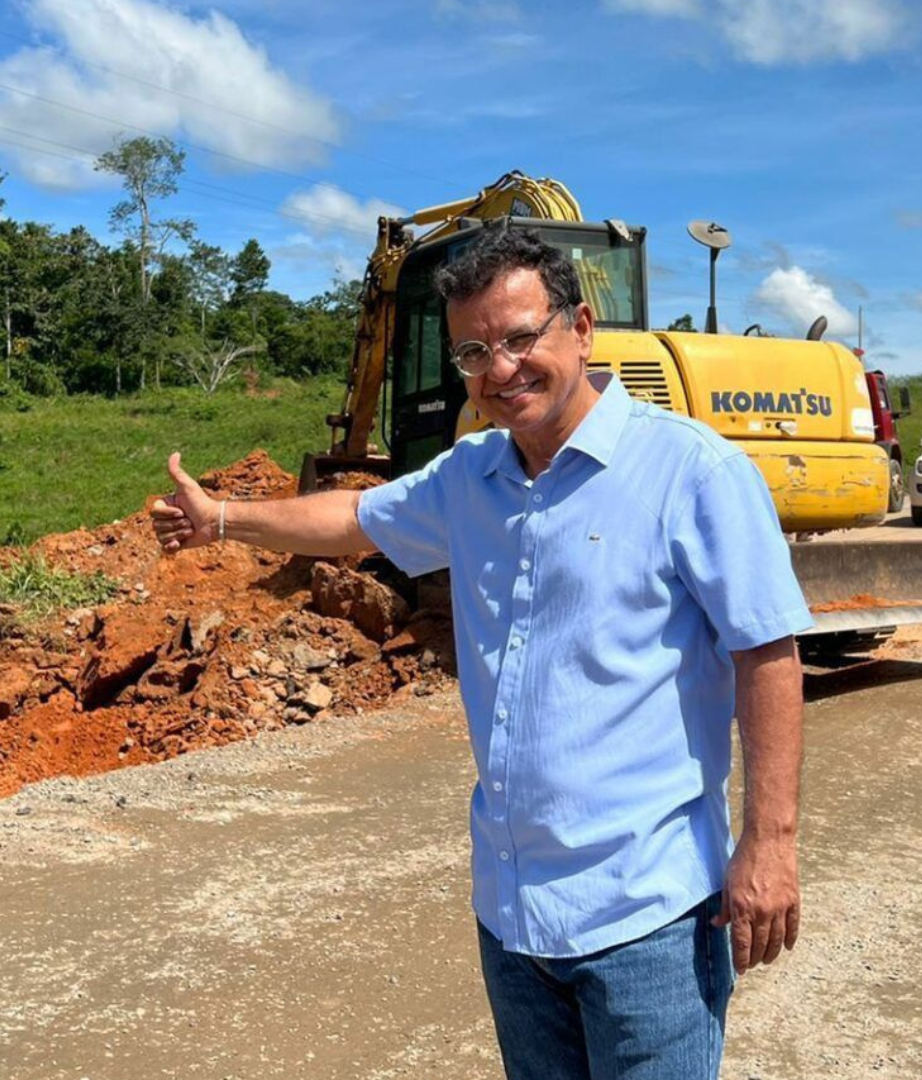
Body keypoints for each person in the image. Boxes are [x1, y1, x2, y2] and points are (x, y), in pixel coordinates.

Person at [151, 226, 810, 1080]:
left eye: (519, 337)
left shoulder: (692, 472)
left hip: (649, 915)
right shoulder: (472, 478)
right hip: (514, 915)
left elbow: (769, 653)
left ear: (580, 327)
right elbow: (354, 517)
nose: (499, 370)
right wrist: (226, 521)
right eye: (473, 350)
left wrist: (770, 845)